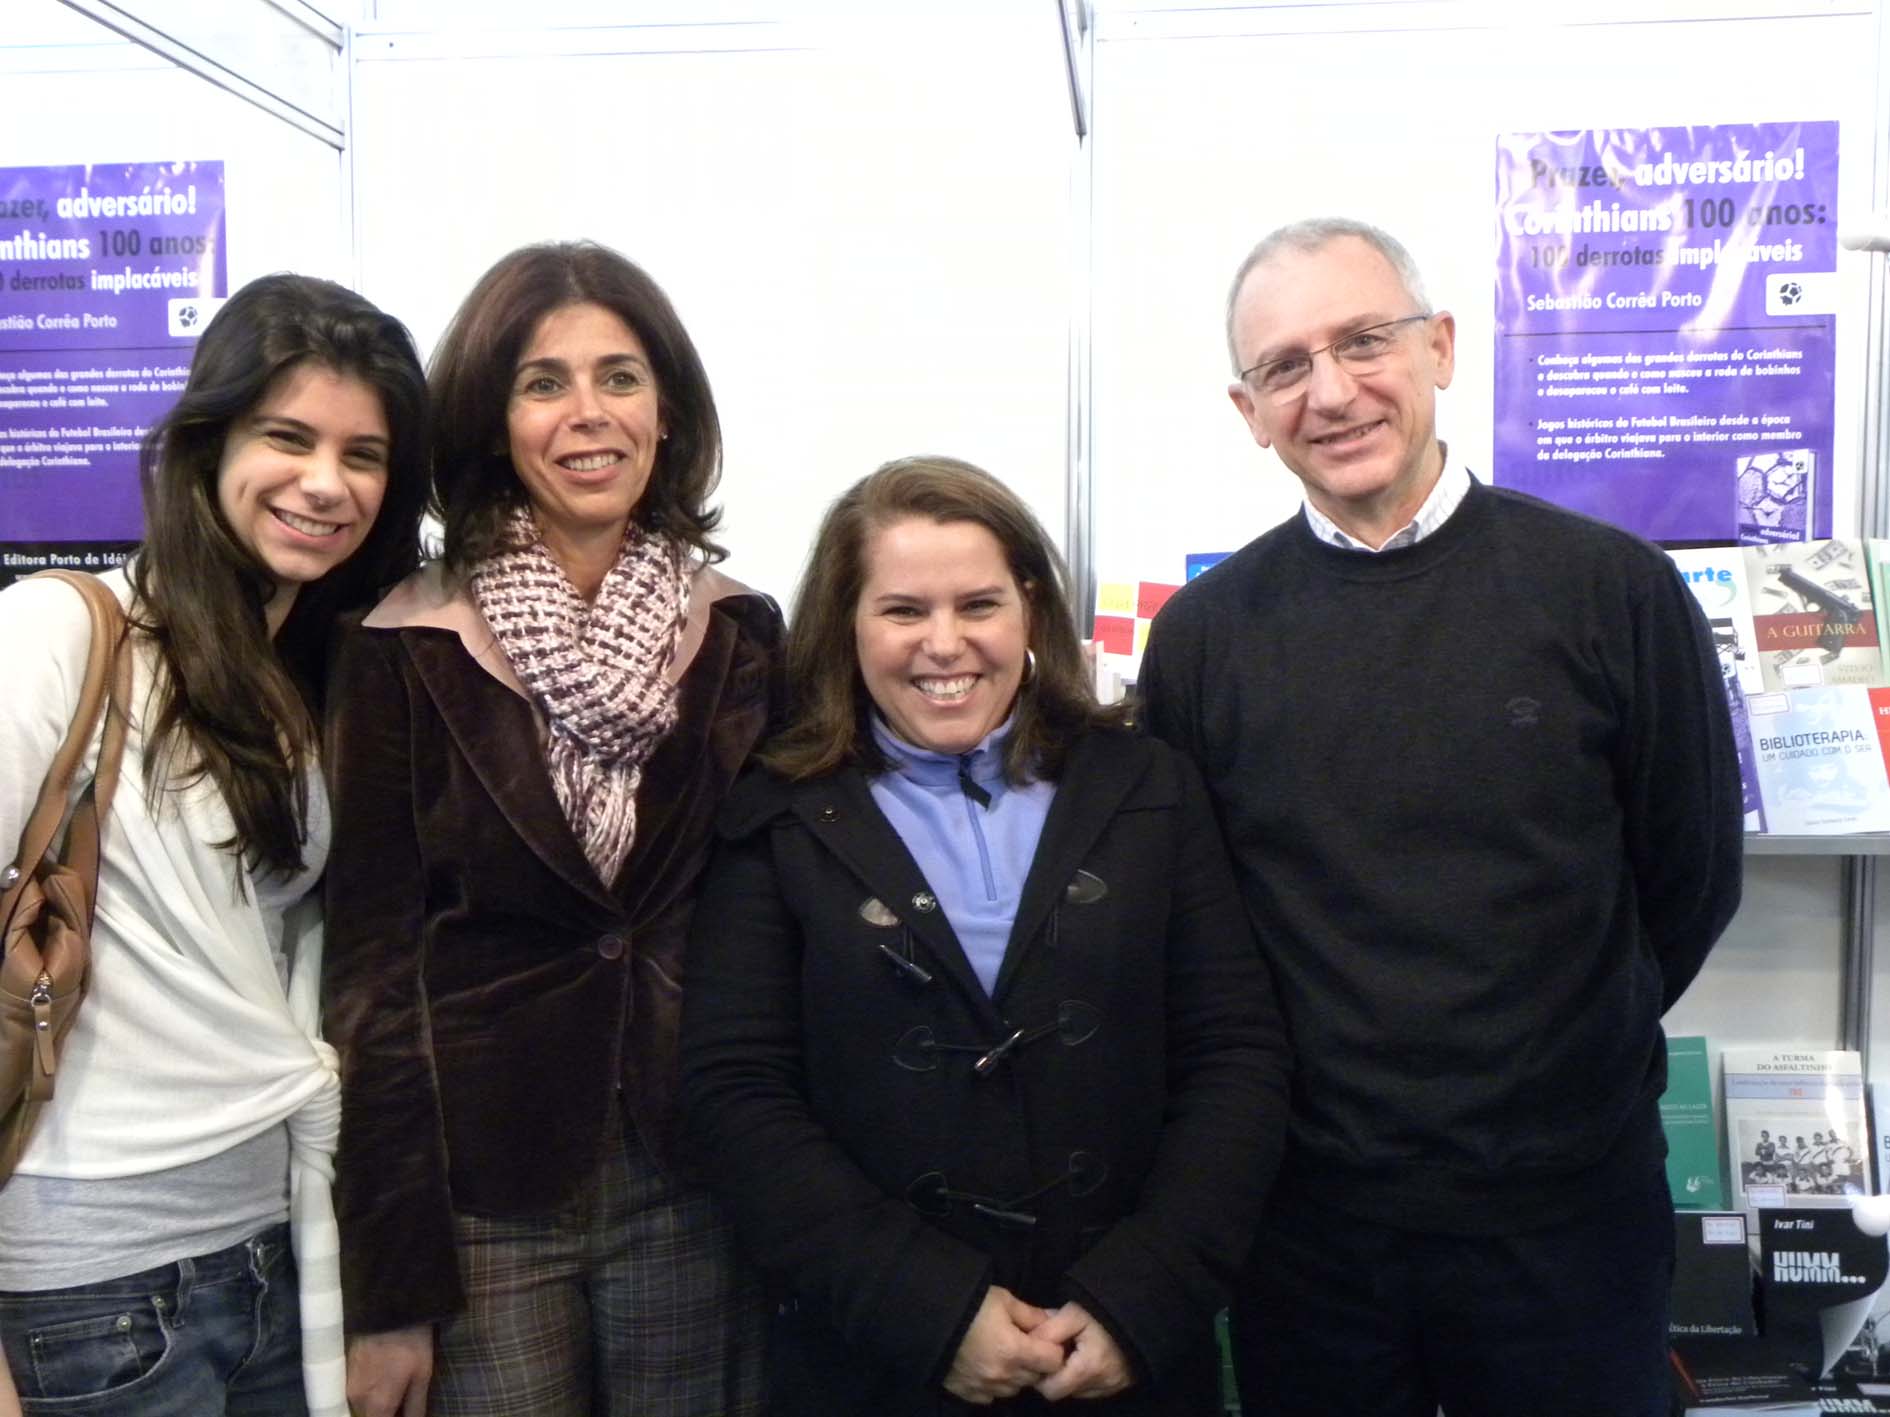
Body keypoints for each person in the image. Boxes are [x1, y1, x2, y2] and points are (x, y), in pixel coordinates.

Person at [1138, 217, 1743, 1417]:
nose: (1331, 392)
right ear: (1249, 410)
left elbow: (1691, 877)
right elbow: (1200, 929)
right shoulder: (1203, 640)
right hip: (1312, 1229)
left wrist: (1552, 1067)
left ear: (1443, 348)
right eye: (1285, 366)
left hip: (1569, 1217)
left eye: (1364, 340)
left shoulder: (1613, 589)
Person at [680, 455, 1290, 1415]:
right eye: (903, 610)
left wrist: (1144, 1296)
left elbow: (1236, 1053)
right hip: (877, 1360)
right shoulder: (779, 812)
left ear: (1029, 609)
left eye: (978, 604)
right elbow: (737, 1090)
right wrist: (927, 1310)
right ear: (846, 623)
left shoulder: (1148, 786)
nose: (944, 643)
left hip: (1123, 1353)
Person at [323, 241, 780, 1417]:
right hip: (482, 1193)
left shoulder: (739, 635)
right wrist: (388, 1287)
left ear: (666, 411)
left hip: (691, 1171)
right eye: (543, 382)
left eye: (620, 377)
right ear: (492, 422)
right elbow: (371, 980)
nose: (589, 413)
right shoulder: (403, 646)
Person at [0, 274, 430, 1416]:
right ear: (209, 443)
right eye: (287, 437)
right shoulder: (62, 632)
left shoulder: (298, 686)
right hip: (90, 1291)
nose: (326, 483)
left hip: (266, 1254)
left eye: (363, 455)